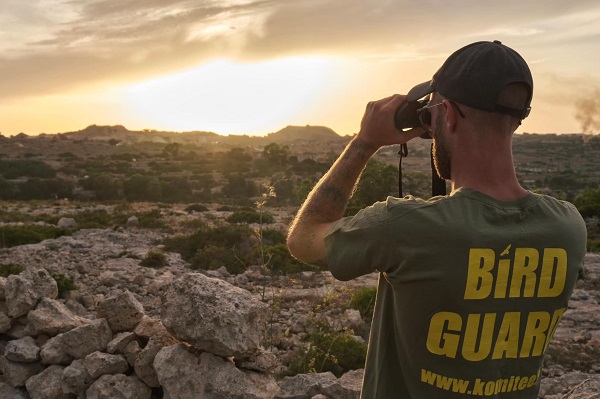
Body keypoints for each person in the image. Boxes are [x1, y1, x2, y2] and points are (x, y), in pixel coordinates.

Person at [287, 40, 587, 398]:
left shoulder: (403, 226)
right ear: (517, 120)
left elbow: (302, 239)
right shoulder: (568, 227)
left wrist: (364, 142)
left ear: (447, 115)